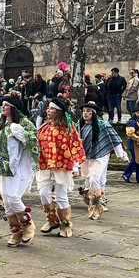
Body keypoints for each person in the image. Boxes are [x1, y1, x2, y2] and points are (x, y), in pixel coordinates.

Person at [0, 96, 39, 247]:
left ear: (13, 108)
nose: (3, 108)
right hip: (3, 166)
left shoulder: (23, 123)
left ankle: (28, 224)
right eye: (2, 105)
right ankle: (16, 232)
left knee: (13, 197)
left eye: (6, 105)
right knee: (6, 199)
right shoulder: (1, 123)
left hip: (19, 166)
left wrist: (19, 131)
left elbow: (33, 140)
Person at [36, 97, 86, 237]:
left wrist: (75, 167)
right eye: (48, 108)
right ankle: (52, 220)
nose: (48, 110)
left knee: (61, 196)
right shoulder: (44, 127)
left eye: (52, 109)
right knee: (43, 193)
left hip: (62, 166)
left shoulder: (68, 127)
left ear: (59, 111)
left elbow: (75, 145)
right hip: (45, 165)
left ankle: (66, 224)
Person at [79, 102, 128, 219]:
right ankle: (97, 197)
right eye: (84, 111)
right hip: (86, 156)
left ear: (94, 113)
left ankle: (96, 206)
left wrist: (121, 154)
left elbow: (115, 139)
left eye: (89, 111)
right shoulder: (80, 125)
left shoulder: (103, 125)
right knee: (88, 180)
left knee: (95, 179)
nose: (86, 113)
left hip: (100, 155)